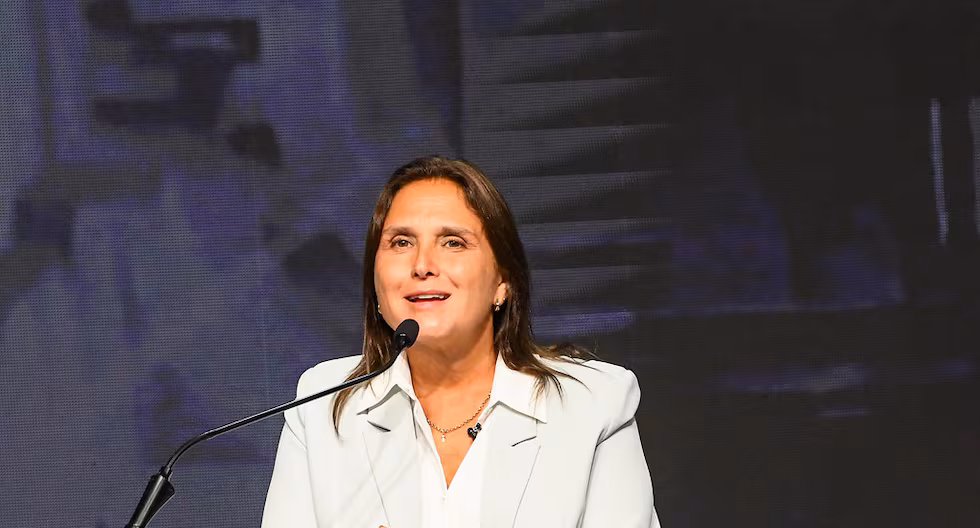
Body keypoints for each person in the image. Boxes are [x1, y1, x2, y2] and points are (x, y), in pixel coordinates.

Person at [262, 156, 660, 527]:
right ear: (376, 286)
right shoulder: (321, 405)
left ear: (503, 282)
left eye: (452, 241)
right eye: (401, 242)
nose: (422, 265)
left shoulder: (592, 405)